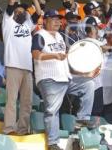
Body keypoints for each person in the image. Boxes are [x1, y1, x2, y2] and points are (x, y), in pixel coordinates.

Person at [32, 9, 97, 150]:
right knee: (52, 110)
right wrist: (54, 56)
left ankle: (82, 121)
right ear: (45, 21)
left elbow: (64, 60)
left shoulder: (60, 37)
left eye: (58, 19)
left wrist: (83, 74)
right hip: (49, 79)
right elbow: (36, 54)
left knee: (88, 85)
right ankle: (53, 143)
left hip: (65, 77)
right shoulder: (39, 35)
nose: (57, 21)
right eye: (53, 19)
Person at [2, 0, 41, 135]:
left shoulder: (28, 24)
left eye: (23, 11)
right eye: (18, 11)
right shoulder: (8, 22)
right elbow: (11, 0)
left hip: (27, 67)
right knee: (11, 100)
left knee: (27, 102)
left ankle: (23, 129)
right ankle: (9, 129)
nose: (21, 12)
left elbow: (39, 12)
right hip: (13, 66)